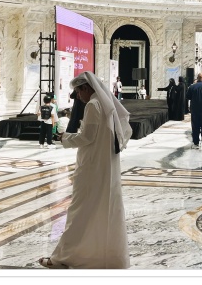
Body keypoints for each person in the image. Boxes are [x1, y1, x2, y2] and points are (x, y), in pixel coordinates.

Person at [39, 71, 132, 269]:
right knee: (103, 210)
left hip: (92, 167)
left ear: (86, 88)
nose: (79, 97)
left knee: (79, 212)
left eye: (79, 92)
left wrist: (64, 137)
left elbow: (87, 137)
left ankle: (63, 258)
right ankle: (106, 257)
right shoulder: (105, 104)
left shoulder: (93, 105)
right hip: (105, 167)